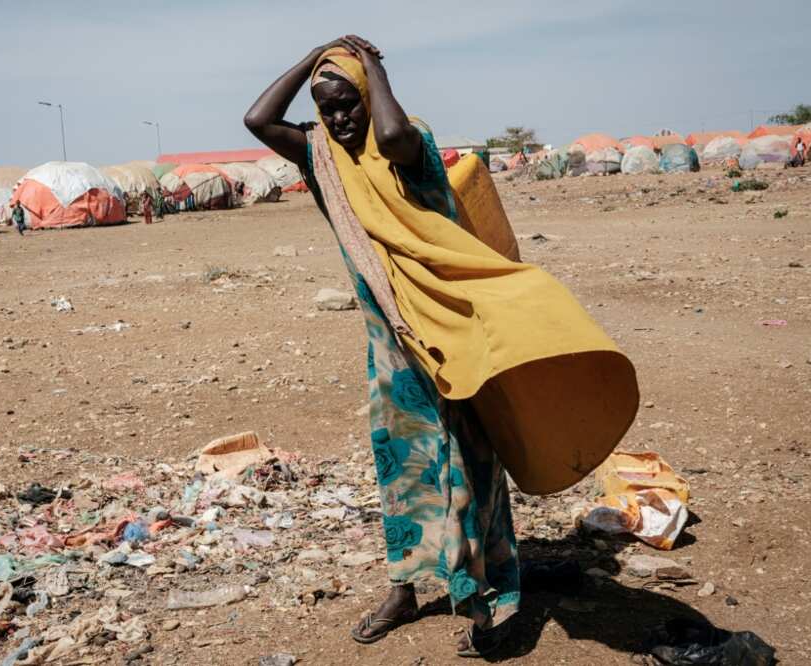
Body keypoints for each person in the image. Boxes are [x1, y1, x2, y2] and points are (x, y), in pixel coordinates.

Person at [244, 36, 637, 659]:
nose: (339, 118)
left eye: (348, 103)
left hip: (450, 339)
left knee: (473, 467)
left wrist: (371, 67)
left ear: (370, 96)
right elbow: (257, 120)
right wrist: (319, 53)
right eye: (327, 109)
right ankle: (406, 586)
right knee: (402, 470)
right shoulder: (323, 159)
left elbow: (393, 133)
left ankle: (492, 604)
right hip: (391, 350)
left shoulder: (411, 148)